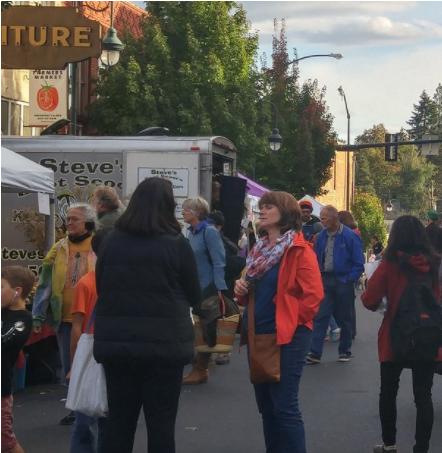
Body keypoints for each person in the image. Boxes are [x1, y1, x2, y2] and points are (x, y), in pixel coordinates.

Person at [93, 177, 201, 453]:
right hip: (165, 347)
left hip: (117, 344)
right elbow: (194, 293)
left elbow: (101, 286)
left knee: (119, 423)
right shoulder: (176, 243)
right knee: (161, 424)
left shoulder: (111, 241)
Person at [234, 191, 323, 453]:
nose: (262, 211)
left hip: (288, 337)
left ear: (285, 213)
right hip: (258, 335)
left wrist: (291, 323)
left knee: (284, 407)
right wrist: (239, 288)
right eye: (261, 207)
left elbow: (313, 297)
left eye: (268, 206)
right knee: (267, 409)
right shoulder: (258, 249)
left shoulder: (299, 250)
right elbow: (244, 295)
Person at [361, 215, 441, 453]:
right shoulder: (435, 264)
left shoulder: (389, 263)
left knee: (388, 391)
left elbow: (369, 299)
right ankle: (422, 448)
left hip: (395, 333)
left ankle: (389, 443)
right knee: (423, 395)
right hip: (427, 333)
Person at [32, 203, 96, 425]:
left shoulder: (99, 245)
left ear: (87, 222)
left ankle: (95, 404)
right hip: (64, 317)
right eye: (68, 219)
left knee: (92, 362)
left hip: (92, 317)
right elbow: (45, 283)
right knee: (69, 365)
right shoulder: (59, 247)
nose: (69, 223)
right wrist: (38, 314)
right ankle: (75, 407)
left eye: (74, 219)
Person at [69, 229, 110, 453]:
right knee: (96, 415)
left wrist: (75, 364)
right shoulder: (88, 283)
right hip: (100, 350)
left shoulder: (87, 282)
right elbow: (78, 326)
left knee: (90, 414)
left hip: (94, 351)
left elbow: (76, 326)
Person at [307, 205, 365, 364]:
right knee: (320, 316)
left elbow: (359, 262)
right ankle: (314, 353)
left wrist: (349, 280)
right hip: (325, 279)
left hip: (343, 280)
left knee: (345, 317)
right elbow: (316, 257)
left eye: (324, 218)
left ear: (334, 218)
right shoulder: (321, 237)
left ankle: (345, 351)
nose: (321, 221)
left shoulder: (350, 236)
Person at [181, 196, 227, 384]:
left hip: (207, 287)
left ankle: (201, 369)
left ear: (197, 213)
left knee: (206, 328)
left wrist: (220, 288)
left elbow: (219, 261)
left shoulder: (209, 232)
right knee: (197, 328)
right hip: (193, 287)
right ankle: (199, 366)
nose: (182, 212)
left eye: (185, 209)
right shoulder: (192, 232)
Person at [1, 266, 35, 453]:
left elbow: (4, 339)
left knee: (5, 442)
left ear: (17, 291)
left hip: (1, 388)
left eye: (1, 287)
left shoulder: (22, 319)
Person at [207, 210, 245, 365]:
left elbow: (221, 263)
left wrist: (220, 284)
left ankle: (223, 352)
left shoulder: (220, 241)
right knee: (214, 316)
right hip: (217, 283)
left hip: (222, 283)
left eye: (211, 224)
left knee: (223, 316)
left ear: (219, 226)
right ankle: (209, 354)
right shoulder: (213, 238)